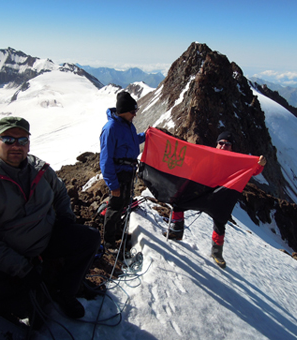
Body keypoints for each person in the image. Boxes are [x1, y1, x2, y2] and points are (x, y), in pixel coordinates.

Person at [0, 116, 101, 323]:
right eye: (8, 140)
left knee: (90, 238)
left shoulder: (40, 170)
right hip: (10, 251)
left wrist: (65, 220)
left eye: (22, 140)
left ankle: (65, 291)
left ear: (29, 143)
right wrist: (21, 267)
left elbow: (60, 192)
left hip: (46, 238)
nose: (17, 146)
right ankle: (29, 303)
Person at [165, 131, 266, 269]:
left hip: (219, 195)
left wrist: (260, 164)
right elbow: (190, 158)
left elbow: (252, 170)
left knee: (220, 220)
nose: (224, 146)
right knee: (179, 202)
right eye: (221, 143)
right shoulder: (208, 154)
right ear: (217, 144)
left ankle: (217, 252)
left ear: (231, 147)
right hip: (203, 191)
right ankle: (176, 232)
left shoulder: (235, 160)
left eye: (227, 144)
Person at [100, 92, 145, 249]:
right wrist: (113, 185)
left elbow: (132, 140)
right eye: (132, 111)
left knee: (124, 203)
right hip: (118, 174)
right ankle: (109, 241)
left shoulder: (127, 124)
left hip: (128, 172)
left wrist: (145, 136)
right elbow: (105, 160)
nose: (135, 114)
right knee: (115, 205)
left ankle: (117, 231)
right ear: (123, 111)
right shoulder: (110, 129)